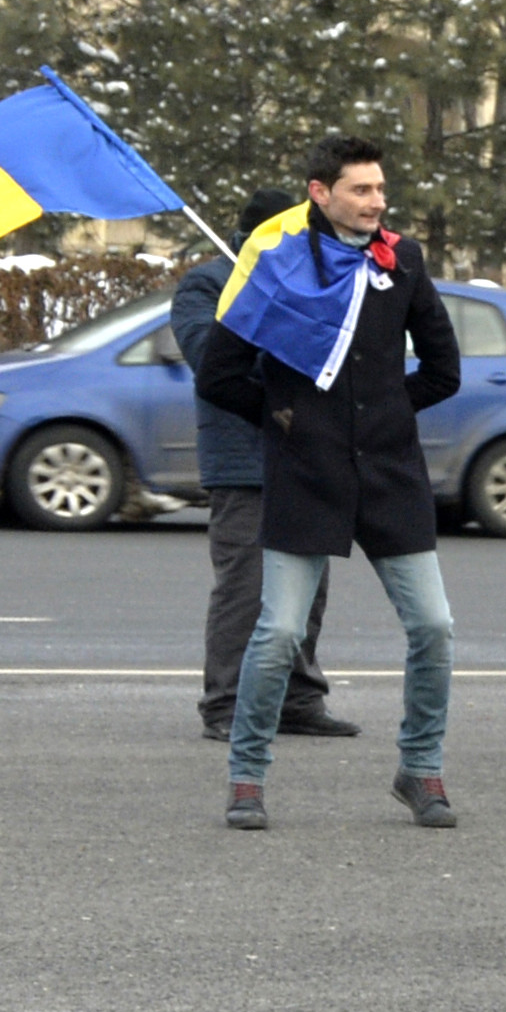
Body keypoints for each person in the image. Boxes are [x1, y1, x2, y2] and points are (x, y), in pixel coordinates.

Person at [200, 136, 464, 832]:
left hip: (389, 473)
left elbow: (443, 370)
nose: (378, 202)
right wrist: (284, 419)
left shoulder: (401, 261)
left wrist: (383, 413)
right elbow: (219, 374)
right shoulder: (279, 267)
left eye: (380, 189)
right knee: (279, 629)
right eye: (362, 190)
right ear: (320, 192)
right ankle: (247, 775)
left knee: (434, 625)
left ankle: (421, 767)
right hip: (305, 473)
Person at [175, 186, 347, 748]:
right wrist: (265, 303)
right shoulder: (206, 284)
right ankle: (224, 703)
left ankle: (298, 698)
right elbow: (210, 359)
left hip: (310, 453)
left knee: (309, 587)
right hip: (242, 459)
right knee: (245, 589)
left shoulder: (318, 278)